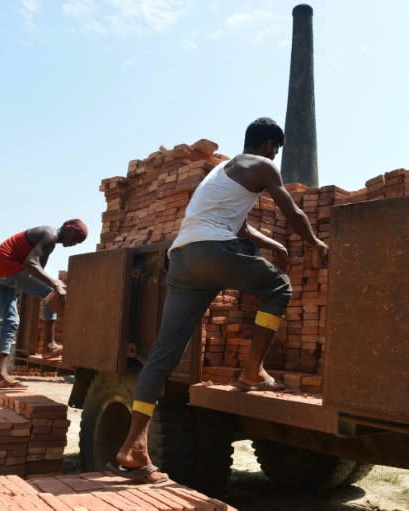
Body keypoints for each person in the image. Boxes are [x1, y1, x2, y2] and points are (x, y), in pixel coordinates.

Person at [111, 118, 329, 483]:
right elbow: (293, 211)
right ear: (265, 145)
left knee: (163, 354)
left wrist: (273, 246)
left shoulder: (222, 175)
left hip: (182, 259)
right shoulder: (261, 166)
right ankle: (251, 371)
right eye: (275, 149)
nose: (275, 156)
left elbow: (240, 227)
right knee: (278, 289)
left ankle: (132, 447)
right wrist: (314, 243)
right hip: (213, 252)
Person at [0, 219, 88, 388]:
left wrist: (52, 283)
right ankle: (49, 345)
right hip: (5, 267)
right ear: (68, 229)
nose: (74, 243)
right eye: (76, 238)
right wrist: (55, 284)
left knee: (11, 321)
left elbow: (37, 270)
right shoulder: (50, 234)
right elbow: (30, 264)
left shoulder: (48, 241)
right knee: (52, 292)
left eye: (79, 242)